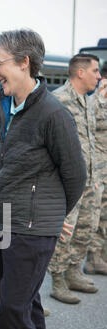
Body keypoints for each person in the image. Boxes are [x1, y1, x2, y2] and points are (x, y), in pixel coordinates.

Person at [0, 29, 86, 329]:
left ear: (24, 62)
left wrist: (53, 215)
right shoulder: (2, 104)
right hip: (3, 218)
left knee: (12, 311)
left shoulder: (53, 113)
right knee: (24, 301)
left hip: (31, 226)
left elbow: (75, 175)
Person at [48, 53, 102, 304]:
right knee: (65, 232)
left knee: (86, 228)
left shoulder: (88, 101)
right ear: (80, 73)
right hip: (66, 182)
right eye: (95, 71)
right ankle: (57, 280)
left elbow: (91, 141)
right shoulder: (58, 100)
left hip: (89, 178)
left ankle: (73, 271)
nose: (99, 76)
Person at [84, 66, 107, 274]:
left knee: (104, 217)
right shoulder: (94, 102)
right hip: (97, 169)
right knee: (94, 215)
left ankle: (99, 256)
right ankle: (90, 259)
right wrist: (100, 95)